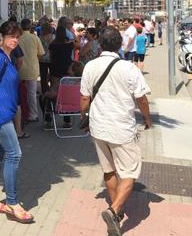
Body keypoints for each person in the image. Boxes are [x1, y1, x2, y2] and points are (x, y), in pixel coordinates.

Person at [79, 27, 152, 236]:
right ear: (120, 45)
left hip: (98, 127)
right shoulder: (129, 69)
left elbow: (84, 98)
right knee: (129, 172)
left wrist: (83, 116)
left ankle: (117, 214)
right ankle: (113, 210)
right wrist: (147, 118)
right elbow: (142, 98)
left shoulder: (90, 66)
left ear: (100, 44)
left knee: (109, 170)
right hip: (121, 128)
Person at [0, 20, 34, 224]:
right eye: (11, 36)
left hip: (2, 114)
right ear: (1, 37)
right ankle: (12, 202)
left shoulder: (7, 58)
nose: (15, 40)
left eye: (17, 36)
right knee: (14, 153)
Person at [17, 19, 44, 123]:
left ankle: (21, 113)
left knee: (19, 93)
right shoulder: (35, 38)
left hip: (19, 69)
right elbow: (41, 53)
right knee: (31, 93)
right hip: (32, 69)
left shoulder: (17, 38)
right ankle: (33, 114)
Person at [38, 22, 54, 95]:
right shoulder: (53, 37)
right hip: (52, 58)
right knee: (52, 75)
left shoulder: (40, 38)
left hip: (42, 58)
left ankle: (44, 91)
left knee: (43, 76)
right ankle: (52, 89)